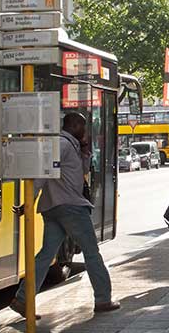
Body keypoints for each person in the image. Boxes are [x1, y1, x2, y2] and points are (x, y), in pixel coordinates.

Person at [9, 112, 119, 320]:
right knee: (91, 252)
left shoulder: (71, 145)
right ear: (75, 125)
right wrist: (29, 202)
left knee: (45, 255)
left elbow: (82, 171)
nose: (85, 132)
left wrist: (86, 151)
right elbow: (42, 174)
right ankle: (103, 299)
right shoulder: (62, 144)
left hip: (53, 209)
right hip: (70, 207)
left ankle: (22, 299)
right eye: (83, 127)